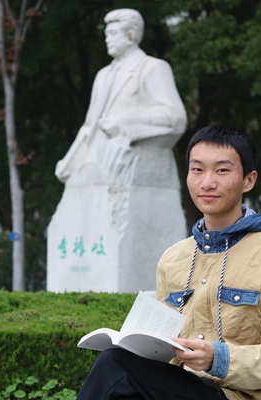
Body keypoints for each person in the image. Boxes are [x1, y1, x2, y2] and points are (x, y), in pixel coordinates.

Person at [76, 124, 261, 400]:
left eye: (222, 170)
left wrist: (217, 358)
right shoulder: (173, 258)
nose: (207, 182)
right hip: (177, 389)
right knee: (120, 372)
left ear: (249, 180)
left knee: (114, 366)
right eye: (197, 169)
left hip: (234, 396)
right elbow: (162, 352)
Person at [47, 8, 187, 293]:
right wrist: (70, 161)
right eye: (106, 34)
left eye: (113, 33)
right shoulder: (103, 75)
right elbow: (89, 126)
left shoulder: (152, 68)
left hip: (132, 162)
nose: (107, 39)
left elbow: (175, 118)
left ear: (131, 35)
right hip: (95, 164)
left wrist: (125, 123)